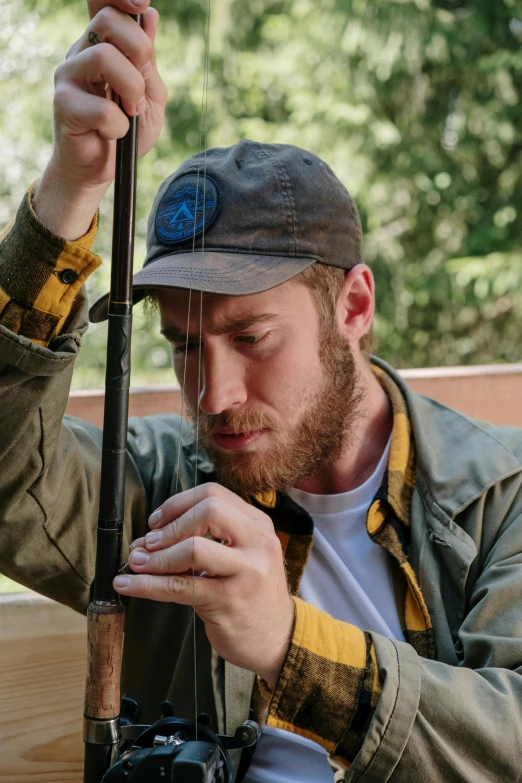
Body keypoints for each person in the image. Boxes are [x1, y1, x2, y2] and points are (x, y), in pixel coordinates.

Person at [1, 1, 522, 781]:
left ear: (353, 307)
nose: (211, 395)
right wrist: (71, 190)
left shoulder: (500, 496)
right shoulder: (160, 490)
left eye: (250, 337)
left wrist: (289, 643)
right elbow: (10, 481)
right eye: (183, 345)